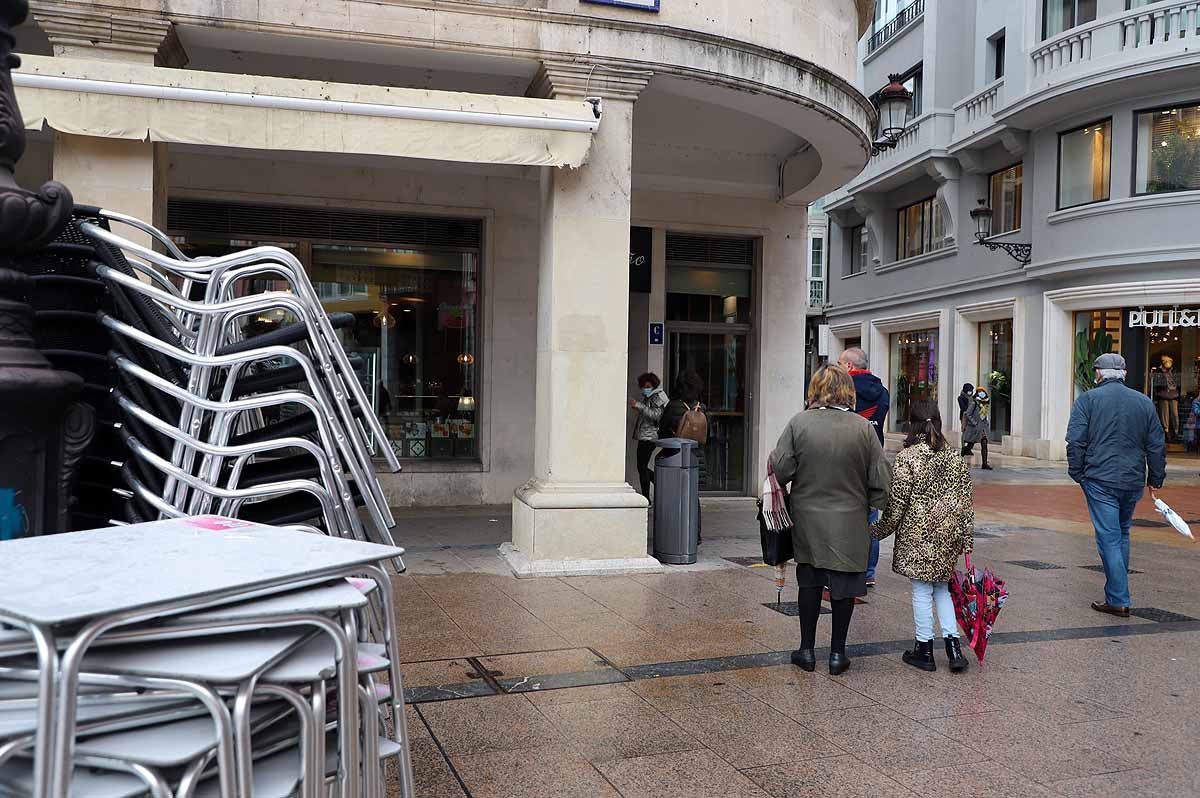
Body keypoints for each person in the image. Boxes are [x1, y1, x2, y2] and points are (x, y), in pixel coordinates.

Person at [769, 364, 890, 675]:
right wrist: (874, 511)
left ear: (815, 390)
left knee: (809, 583)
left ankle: (807, 650)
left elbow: (781, 470)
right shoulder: (863, 428)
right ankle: (838, 654)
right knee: (844, 588)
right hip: (850, 520)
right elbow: (881, 480)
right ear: (848, 392)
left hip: (808, 518)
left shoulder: (799, 423)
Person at [872, 400, 973, 673]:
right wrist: (967, 540)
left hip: (918, 536)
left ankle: (924, 649)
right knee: (942, 588)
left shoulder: (908, 458)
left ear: (911, 424)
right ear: (938, 422)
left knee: (920, 590)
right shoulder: (954, 457)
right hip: (948, 534)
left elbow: (897, 505)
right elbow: (965, 502)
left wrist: (877, 532)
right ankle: (954, 649)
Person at [1066, 353, 1166, 617]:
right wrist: (1155, 479)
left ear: (1099, 373)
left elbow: (1075, 441)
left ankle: (1119, 598)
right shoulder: (1144, 402)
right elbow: (1156, 445)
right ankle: (1116, 594)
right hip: (1132, 479)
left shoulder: (1087, 400)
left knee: (1109, 537)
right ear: (1124, 374)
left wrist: (1078, 473)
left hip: (1100, 478)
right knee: (1121, 533)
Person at [837, 347, 890, 587]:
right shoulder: (883, 392)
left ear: (849, 366)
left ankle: (845, 566)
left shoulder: (842, 391)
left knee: (843, 516)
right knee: (871, 518)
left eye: (840, 363)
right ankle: (869, 572)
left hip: (846, 458)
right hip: (873, 457)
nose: (838, 367)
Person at [659, 370, 707, 542]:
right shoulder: (700, 407)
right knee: (693, 497)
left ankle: (677, 531)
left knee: (675, 496)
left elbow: (662, 430)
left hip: (676, 457)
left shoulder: (673, 406)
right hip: (697, 457)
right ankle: (696, 534)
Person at [630, 373, 668, 501]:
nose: (645, 388)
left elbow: (656, 415)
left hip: (649, 437)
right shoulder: (650, 397)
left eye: (648, 386)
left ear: (653, 385)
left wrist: (639, 406)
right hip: (645, 436)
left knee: (642, 467)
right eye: (643, 386)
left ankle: (647, 496)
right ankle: (655, 488)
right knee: (642, 467)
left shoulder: (657, 398)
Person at [961, 387, 993, 470]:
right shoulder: (974, 403)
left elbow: (984, 416)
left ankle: (984, 463)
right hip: (975, 428)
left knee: (984, 443)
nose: (982, 393)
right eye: (980, 391)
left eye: (983, 391)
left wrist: (986, 423)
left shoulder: (985, 404)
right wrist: (974, 422)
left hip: (983, 427)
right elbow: (967, 414)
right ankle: (964, 451)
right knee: (971, 444)